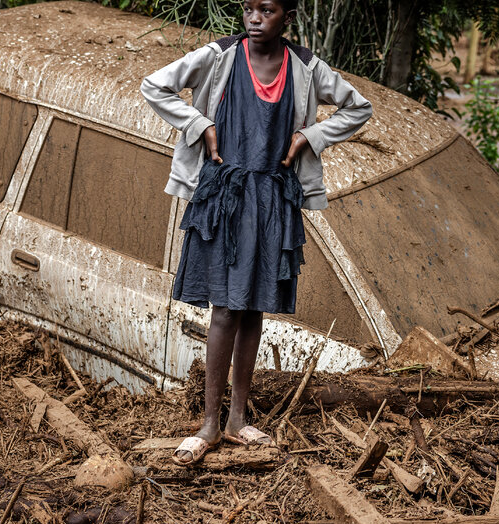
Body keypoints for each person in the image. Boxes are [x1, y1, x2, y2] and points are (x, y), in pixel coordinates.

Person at [141, 0, 372, 465]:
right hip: (226, 197)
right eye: (248, 8)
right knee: (225, 309)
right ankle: (209, 423)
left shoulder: (305, 67)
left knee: (253, 313)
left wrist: (310, 136)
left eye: (266, 10)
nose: (254, 18)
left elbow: (358, 107)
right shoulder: (220, 56)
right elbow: (155, 86)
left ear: (288, 17)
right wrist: (200, 124)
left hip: (273, 201)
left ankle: (237, 420)